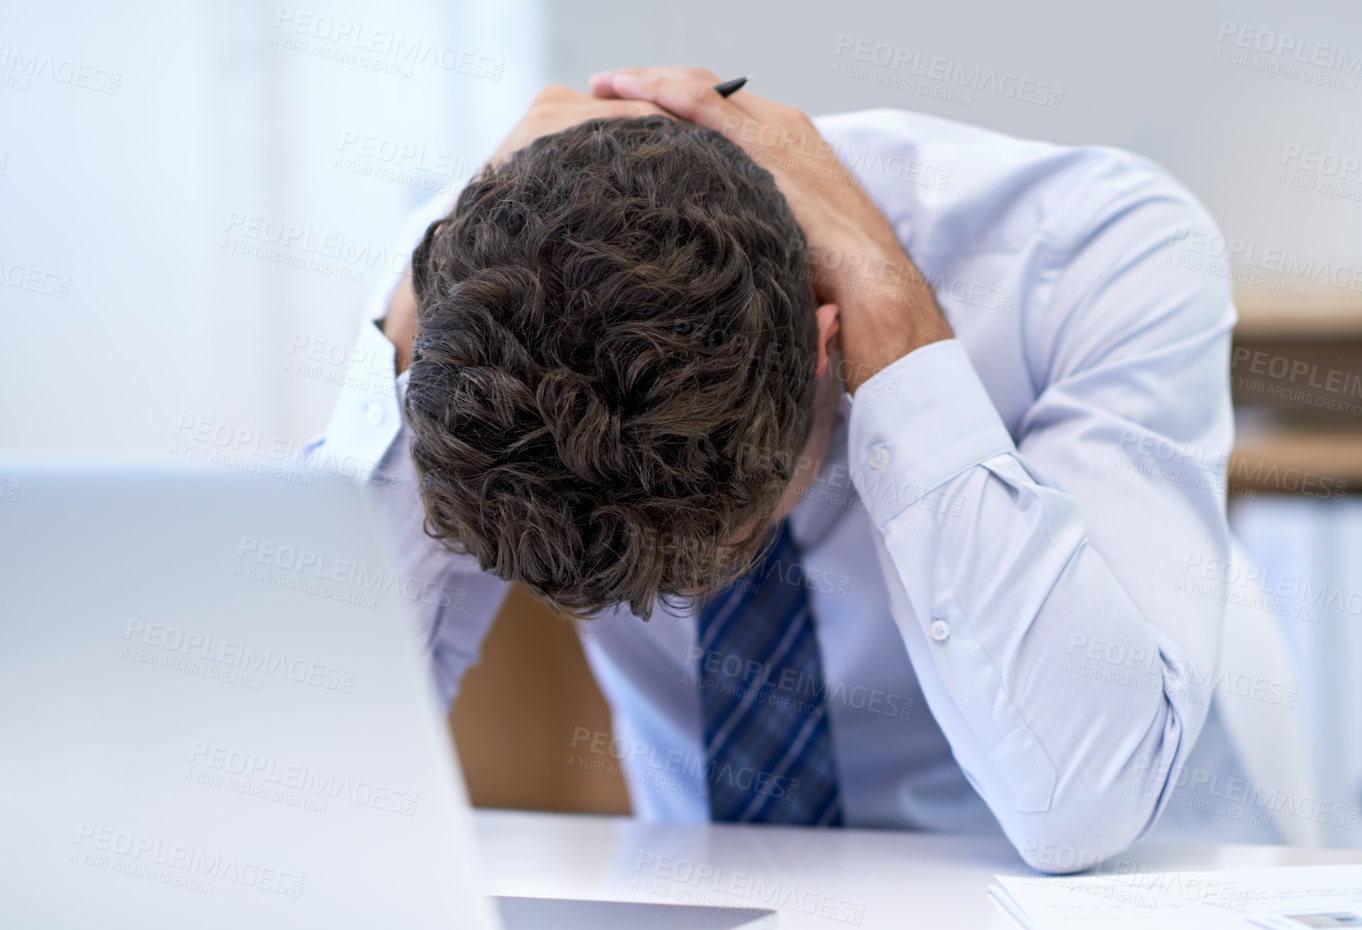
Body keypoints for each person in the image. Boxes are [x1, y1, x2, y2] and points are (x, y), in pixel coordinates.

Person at [309, 66, 1253, 873]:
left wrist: (902, 331)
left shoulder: (1101, 250)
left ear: (820, 346)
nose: (665, 607)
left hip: (1110, 926)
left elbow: (1085, 806)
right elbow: (312, 763)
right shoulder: (465, 291)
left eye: (699, 571)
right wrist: (404, 351)